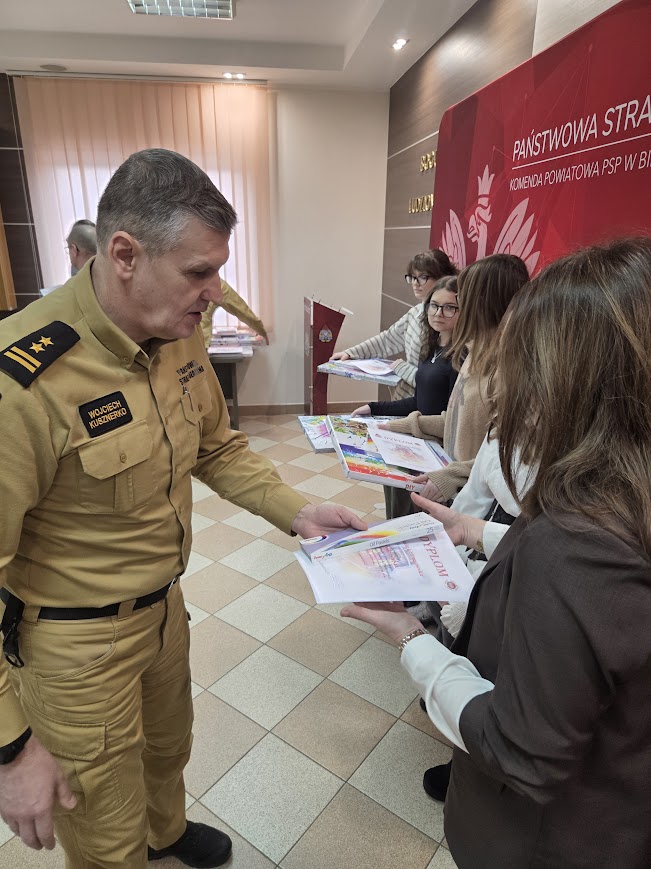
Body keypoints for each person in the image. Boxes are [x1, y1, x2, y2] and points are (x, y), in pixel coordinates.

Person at [0, 148, 364, 869]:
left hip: (164, 612)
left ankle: (164, 836)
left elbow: (217, 448)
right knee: (105, 832)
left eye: (217, 270)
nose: (214, 292)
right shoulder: (24, 383)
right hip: (74, 647)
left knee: (168, 750)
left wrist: (296, 510)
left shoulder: (178, 328)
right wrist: (12, 748)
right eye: (199, 272)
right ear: (124, 255)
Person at [342, 238, 651, 869]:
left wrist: (411, 639)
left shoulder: (575, 544)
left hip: (554, 840)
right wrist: (475, 531)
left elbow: (521, 748)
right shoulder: (619, 504)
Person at [380, 253, 529, 503]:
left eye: (460, 300)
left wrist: (454, 476)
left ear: (484, 303)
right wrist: (407, 425)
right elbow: (459, 422)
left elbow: (507, 454)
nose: (454, 308)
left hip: (477, 497)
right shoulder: (473, 352)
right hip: (453, 483)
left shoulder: (509, 368)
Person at [351, 276, 460, 519]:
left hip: (440, 451)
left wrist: (399, 426)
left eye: (449, 307)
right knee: (392, 490)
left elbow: (452, 421)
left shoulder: (461, 357)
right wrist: (373, 408)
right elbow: (419, 402)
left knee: (412, 513)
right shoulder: (431, 347)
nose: (438, 313)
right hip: (420, 439)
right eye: (434, 305)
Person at [330, 249, 457, 399]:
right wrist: (352, 353)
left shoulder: (448, 324)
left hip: (424, 403)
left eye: (423, 277)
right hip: (404, 396)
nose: (415, 283)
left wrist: (402, 368)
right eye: (412, 277)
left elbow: (436, 383)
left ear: (442, 278)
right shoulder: (416, 312)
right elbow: (388, 339)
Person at [200, 279, 269, 348]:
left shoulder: (215, 284)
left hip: (200, 342)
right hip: (200, 343)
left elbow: (241, 310)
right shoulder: (215, 284)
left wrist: (261, 330)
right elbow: (242, 310)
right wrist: (261, 331)